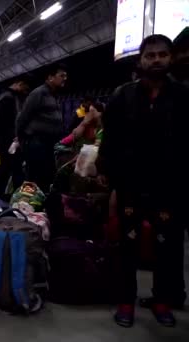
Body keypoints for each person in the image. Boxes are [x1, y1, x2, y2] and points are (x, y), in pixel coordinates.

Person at [98, 34, 189, 328]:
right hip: (130, 183)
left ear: (171, 58)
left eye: (162, 54)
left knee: (168, 246)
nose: (157, 60)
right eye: (150, 55)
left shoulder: (183, 96)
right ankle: (126, 301)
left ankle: (162, 301)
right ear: (140, 61)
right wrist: (106, 174)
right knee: (128, 245)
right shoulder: (122, 95)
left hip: (170, 184)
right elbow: (109, 139)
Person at [16, 63, 67, 192]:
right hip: (37, 144)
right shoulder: (38, 93)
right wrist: (23, 142)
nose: (65, 78)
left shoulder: (53, 95)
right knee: (34, 178)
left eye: (66, 76)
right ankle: (27, 206)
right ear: (50, 77)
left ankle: (40, 207)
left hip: (48, 144)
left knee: (46, 177)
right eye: (61, 75)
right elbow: (22, 118)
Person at [0, 78, 29, 198]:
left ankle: (2, 196)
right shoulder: (8, 98)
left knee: (10, 169)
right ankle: (2, 196)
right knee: (9, 169)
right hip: (8, 141)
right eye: (24, 87)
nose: (25, 91)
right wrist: (14, 136)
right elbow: (5, 121)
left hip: (7, 140)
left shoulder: (8, 96)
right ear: (19, 83)